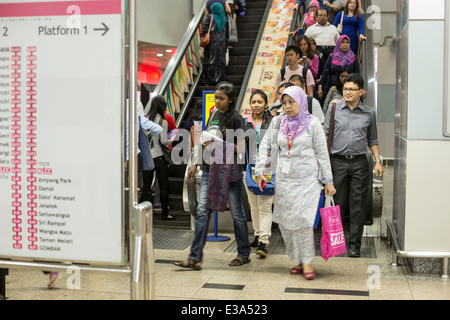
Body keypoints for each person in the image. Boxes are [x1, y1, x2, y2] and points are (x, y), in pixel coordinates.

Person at [255, 86, 335, 279]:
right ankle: (297, 259)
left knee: (305, 222)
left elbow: (322, 153)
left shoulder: (313, 123)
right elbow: (265, 146)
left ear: (301, 101)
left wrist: (328, 181)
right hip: (285, 181)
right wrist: (259, 171)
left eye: (292, 102)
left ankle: (307, 261)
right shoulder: (278, 122)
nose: (287, 106)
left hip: (308, 181)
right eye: (284, 102)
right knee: (286, 223)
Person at [175, 82, 251, 270]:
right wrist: (196, 164)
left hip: (228, 171)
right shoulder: (214, 114)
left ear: (230, 100)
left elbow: (241, 148)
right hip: (209, 169)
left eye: (221, 98)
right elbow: (204, 140)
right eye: (216, 97)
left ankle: (243, 254)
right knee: (202, 211)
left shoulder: (236, 119)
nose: (216, 101)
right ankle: (195, 257)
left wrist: (219, 144)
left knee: (237, 213)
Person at [324, 73, 383, 258]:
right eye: (345, 89)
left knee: (357, 205)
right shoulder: (334, 108)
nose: (347, 92)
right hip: (337, 161)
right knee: (338, 204)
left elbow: (372, 139)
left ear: (361, 92)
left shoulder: (369, 113)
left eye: (352, 89)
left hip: (359, 162)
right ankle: (337, 243)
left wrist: (378, 160)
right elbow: (325, 136)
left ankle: (354, 245)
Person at [243, 90, 274, 257]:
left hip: (267, 169)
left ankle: (264, 241)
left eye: (259, 102)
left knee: (264, 205)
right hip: (249, 168)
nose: (256, 105)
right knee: (253, 205)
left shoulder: (273, 122)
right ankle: (256, 236)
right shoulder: (245, 123)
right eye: (253, 102)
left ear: (266, 104)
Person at [141, 95, 174, 220]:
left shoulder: (144, 120)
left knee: (146, 187)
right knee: (163, 185)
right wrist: (170, 141)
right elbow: (164, 140)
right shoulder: (162, 122)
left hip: (147, 157)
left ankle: (141, 214)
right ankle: (165, 214)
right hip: (159, 157)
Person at [318, 35, 360, 101]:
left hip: (350, 89)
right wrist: (320, 86)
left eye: (347, 42)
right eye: (343, 42)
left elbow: (357, 74)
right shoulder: (332, 56)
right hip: (333, 89)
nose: (345, 44)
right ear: (338, 44)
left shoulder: (353, 57)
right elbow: (325, 72)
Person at [201, 3, 228, 86]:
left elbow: (205, 30)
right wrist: (226, 45)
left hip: (211, 44)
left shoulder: (210, 17)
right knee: (220, 62)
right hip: (222, 44)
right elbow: (227, 34)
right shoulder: (225, 19)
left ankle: (208, 81)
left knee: (210, 61)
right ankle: (219, 81)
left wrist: (202, 36)